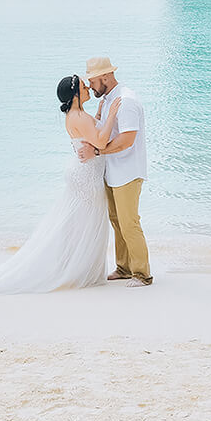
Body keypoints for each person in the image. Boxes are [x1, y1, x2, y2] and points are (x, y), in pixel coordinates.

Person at [0, 74, 126, 294]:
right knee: (86, 224)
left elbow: (92, 133)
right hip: (86, 176)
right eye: (83, 86)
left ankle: (73, 265)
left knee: (78, 225)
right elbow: (99, 141)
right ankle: (76, 269)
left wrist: (100, 114)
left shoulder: (77, 115)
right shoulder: (78, 116)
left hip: (83, 173)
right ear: (75, 96)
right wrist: (112, 115)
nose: (88, 87)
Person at [84, 54, 150, 285]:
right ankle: (123, 267)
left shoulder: (126, 100)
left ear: (105, 77)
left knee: (129, 222)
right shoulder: (108, 101)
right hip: (113, 171)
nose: (90, 86)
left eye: (92, 81)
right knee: (116, 220)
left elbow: (127, 140)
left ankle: (142, 273)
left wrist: (98, 153)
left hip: (128, 171)